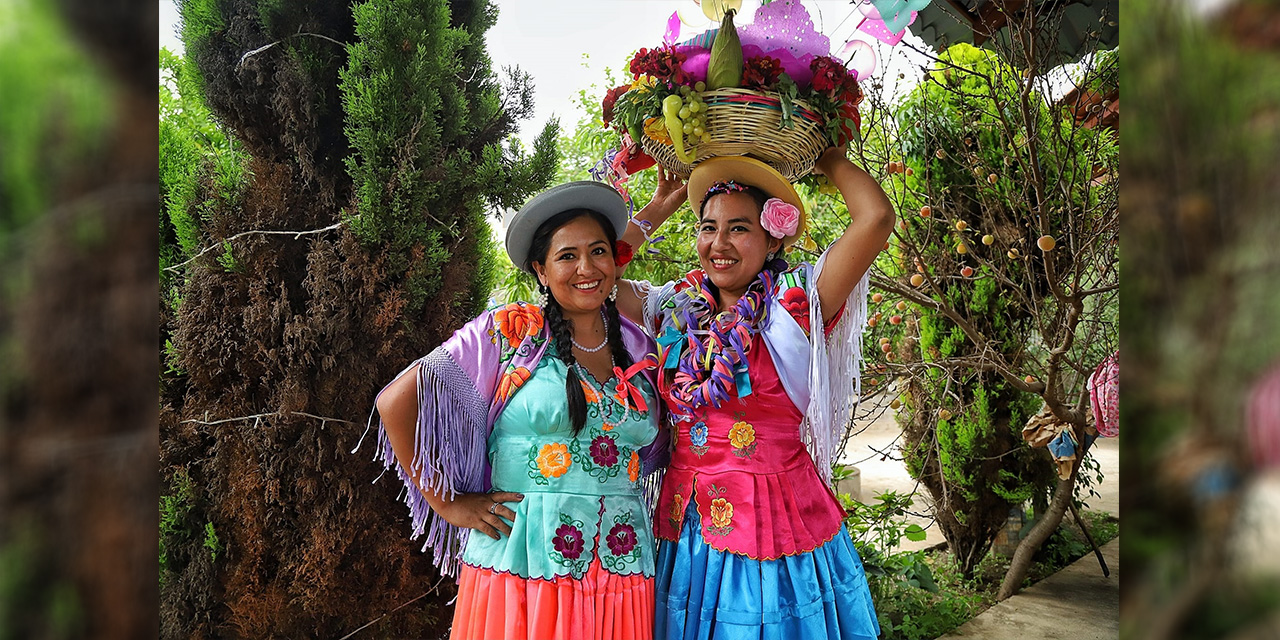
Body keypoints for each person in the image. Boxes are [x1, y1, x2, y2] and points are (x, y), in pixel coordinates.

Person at [614, 148, 895, 639]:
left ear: (771, 238)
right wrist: (659, 206)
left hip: (778, 525)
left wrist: (824, 152)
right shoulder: (672, 307)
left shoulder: (796, 304)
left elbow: (875, 219)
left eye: (739, 228)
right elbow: (595, 276)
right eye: (708, 227)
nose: (719, 242)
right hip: (688, 531)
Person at [370, 181, 669, 640]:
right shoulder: (512, 332)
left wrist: (656, 208)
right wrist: (448, 504)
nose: (586, 268)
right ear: (541, 271)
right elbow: (396, 403)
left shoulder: (641, 346)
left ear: (615, 260)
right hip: (524, 566)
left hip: (621, 566)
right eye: (567, 256)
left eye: (598, 252)